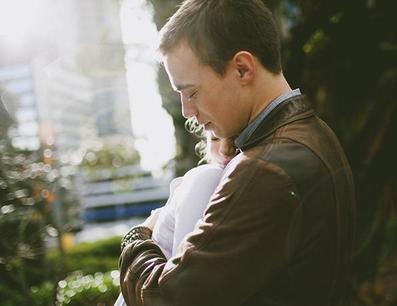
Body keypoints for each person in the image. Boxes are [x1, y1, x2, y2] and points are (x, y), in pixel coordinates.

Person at [119, 0, 356, 305]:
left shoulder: (266, 170)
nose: (187, 111)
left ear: (242, 69)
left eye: (191, 92)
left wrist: (137, 237)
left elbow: (169, 298)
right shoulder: (313, 134)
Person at [115, 133, 237, 306]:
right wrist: (139, 234)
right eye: (215, 139)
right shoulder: (209, 177)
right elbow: (182, 284)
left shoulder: (215, 181)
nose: (225, 149)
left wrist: (139, 233)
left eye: (236, 136)